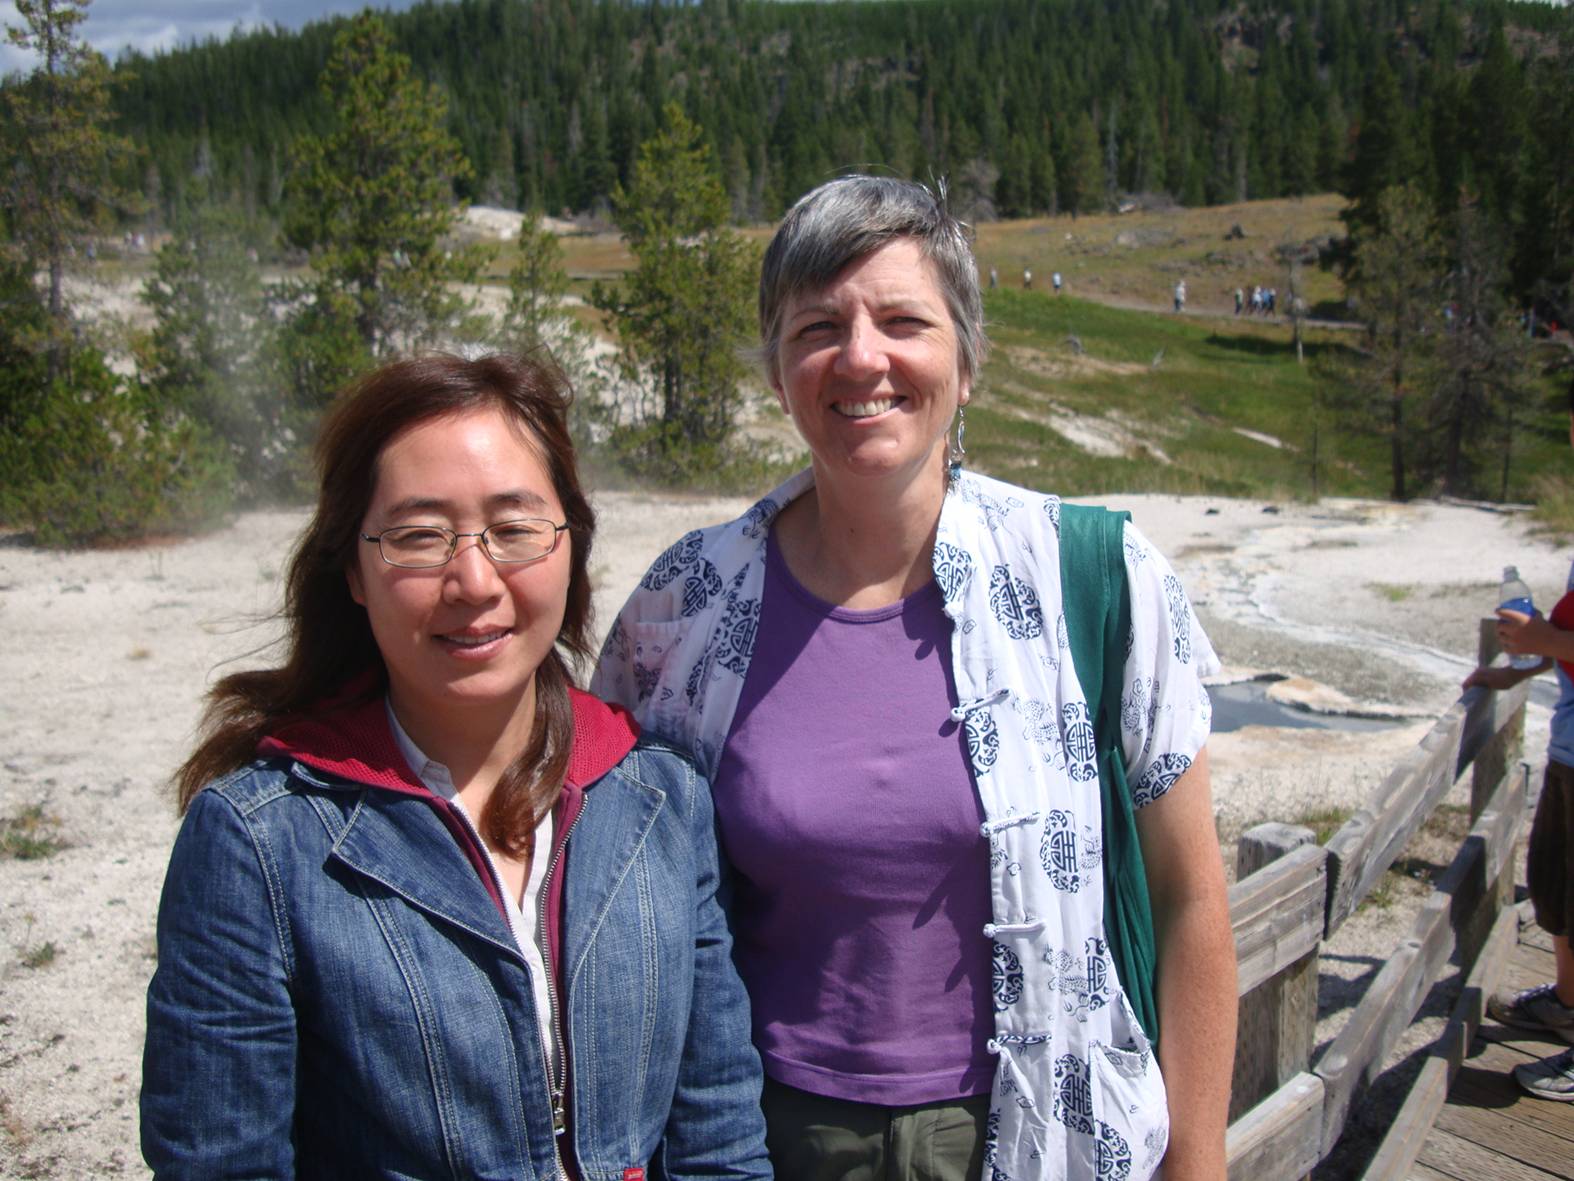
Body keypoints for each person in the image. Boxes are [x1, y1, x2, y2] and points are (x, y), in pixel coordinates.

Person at [594, 176, 1237, 1180]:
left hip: (1043, 1130)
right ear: (775, 370)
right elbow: (618, 884)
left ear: (965, 361)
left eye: (902, 320)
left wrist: (1196, 1164)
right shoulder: (683, 606)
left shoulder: (1098, 577)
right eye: (816, 327)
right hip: (759, 1138)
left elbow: (1189, 894)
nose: (860, 357)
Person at [141, 352, 771, 1180]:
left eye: (513, 528)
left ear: (570, 545)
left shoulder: (659, 798)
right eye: (418, 536)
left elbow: (717, 1134)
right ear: (354, 571)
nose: (473, 579)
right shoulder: (260, 843)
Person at [1465, 383, 1574, 1104]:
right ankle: (1567, 1004)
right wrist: (1524, 664)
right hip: (1571, 742)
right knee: (1562, 889)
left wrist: (1540, 641)